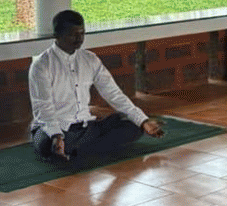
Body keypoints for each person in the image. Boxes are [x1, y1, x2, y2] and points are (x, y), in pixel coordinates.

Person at [28, 9, 163, 163]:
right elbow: (43, 107)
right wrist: (56, 136)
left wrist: (143, 120)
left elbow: (114, 94)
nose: (79, 39)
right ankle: (72, 148)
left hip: (87, 128)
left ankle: (76, 152)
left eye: (82, 33)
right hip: (54, 128)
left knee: (134, 126)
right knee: (46, 145)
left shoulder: (90, 59)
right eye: (73, 34)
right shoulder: (41, 65)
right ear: (57, 35)